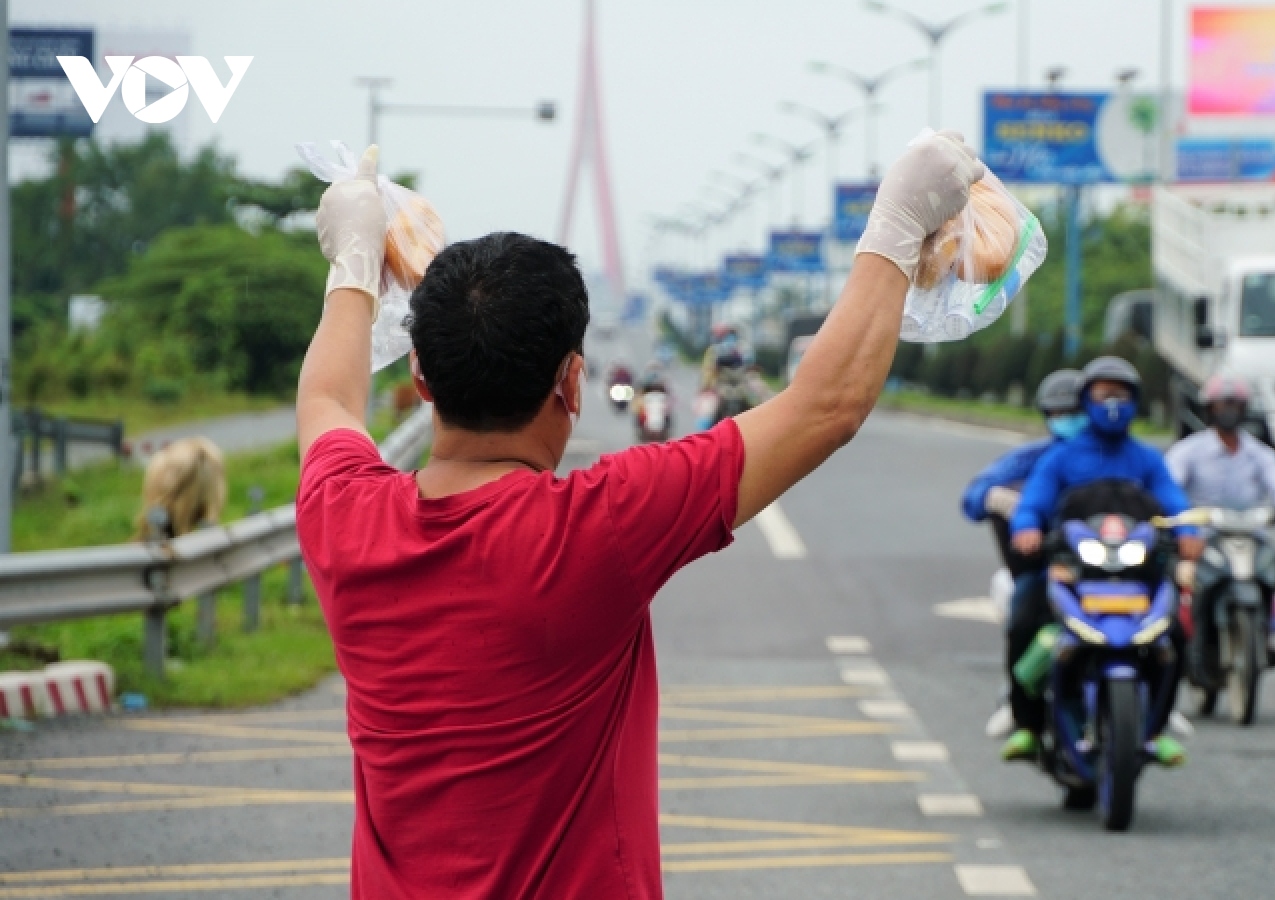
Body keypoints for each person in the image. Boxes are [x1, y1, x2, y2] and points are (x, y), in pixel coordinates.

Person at [295, 137, 985, 899]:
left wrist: (354, 263)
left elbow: (328, 402)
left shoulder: (343, 514)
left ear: (421, 377)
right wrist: (896, 221)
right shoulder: (596, 530)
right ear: (573, 382)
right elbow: (824, 407)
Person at [1003, 356, 1201, 767]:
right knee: (1023, 616)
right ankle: (1025, 723)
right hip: (1072, 571)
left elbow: (1174, 501)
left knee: (1175, 637)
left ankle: (1157, 729)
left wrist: (1188, 533)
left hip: (1136, 573)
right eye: (1102, 393)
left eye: (1121, 393)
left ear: (1136, 401)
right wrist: (1026, 528)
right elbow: (1033, 503)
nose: (1112, 402)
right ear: (1086, 401)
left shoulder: (1146, 459)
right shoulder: (1061, 459)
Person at [1164, 375, 1275, 668]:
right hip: (1201, 540)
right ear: (1209, 409)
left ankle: (1262, 638)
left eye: (1234, 404)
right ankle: (1183, 642)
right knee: (1176, 580)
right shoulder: (1189, 451)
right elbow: (1168, 486)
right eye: (1221, 404)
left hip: (1247, 537)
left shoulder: (1258, 453)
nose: (1228, 410)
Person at [960, 369, 1085, 579]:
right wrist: (997, 499)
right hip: (1050, 558)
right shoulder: (1034, 457)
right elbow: (973, 497)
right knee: (1026, 597)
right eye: (1059, 413)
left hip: (1114, 552)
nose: (1067, 418)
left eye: (1075, 411)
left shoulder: (1123, 456)